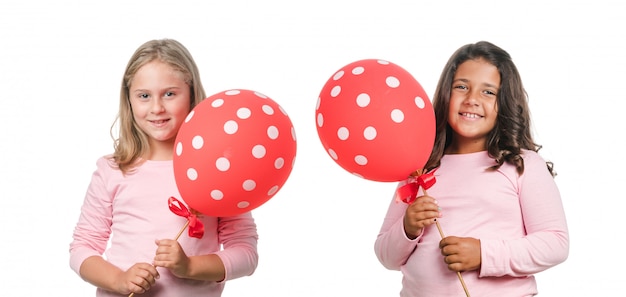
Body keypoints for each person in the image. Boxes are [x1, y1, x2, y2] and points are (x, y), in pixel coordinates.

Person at [374, 41, 569, 297]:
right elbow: (386, 256)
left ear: (505, 104)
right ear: (446, 94)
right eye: (461, 87)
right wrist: (408, 228)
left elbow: (555, 244)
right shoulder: (419, 168)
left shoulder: (522, 165)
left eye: (488, 92)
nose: (472, 100)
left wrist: (483, 254)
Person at [69, 39, 259, 297]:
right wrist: (119, 280)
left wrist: (190, 266)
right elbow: (82, 248)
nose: (157, 108)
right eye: (144, 96)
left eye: (170, 94)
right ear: (130, 100)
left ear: (191, 93)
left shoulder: (219, 170)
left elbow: (246, 255)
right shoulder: (112, 170)